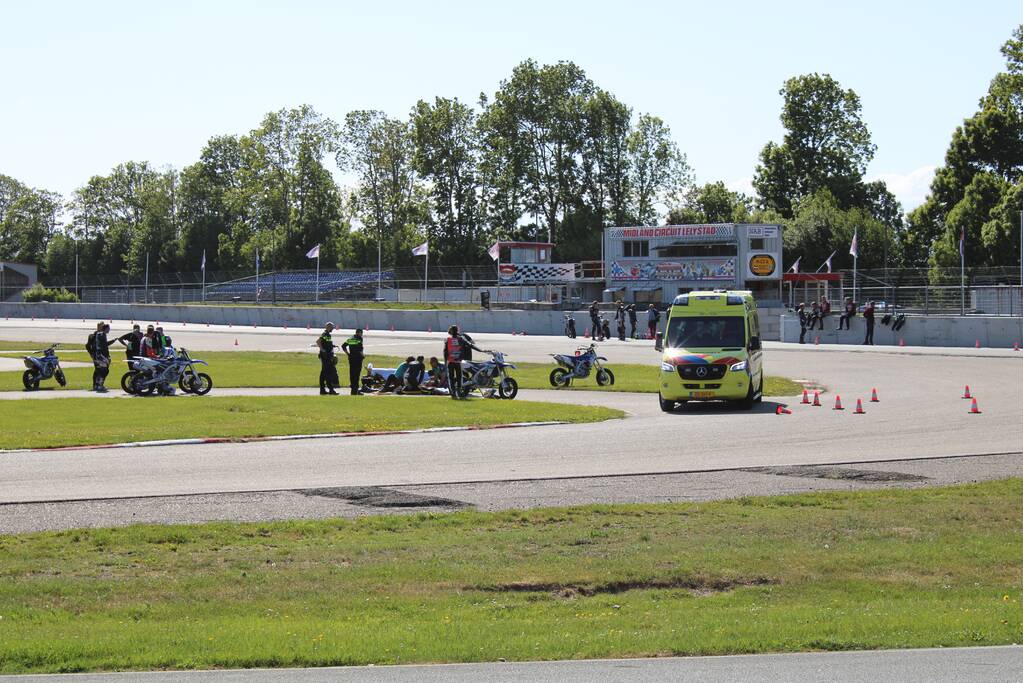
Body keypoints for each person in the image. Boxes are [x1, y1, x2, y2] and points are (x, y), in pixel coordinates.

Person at [443, 325, 482, 399]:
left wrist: (445, 362)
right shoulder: (460, 339)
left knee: (451, 378)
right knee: (459, 377)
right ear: (457, 330)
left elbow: (445, 351)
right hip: (458, 362)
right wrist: (480, 350)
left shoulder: (448, 340)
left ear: (450, 331)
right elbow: (470, 345)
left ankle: (453, 393)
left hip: (450, 362)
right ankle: (458, 391)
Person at [86, 322, 111, 392]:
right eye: (100, 326)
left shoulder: (102, 334)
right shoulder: (94, 335)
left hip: (102, 355)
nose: (102, 327)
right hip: (98, 356)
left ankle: (99, 384)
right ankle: (97, 385)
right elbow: (88, 346)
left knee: (101, 371)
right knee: (100, 371)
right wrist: (91, 354)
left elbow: (105, 345)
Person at [316, 322, 339, 395]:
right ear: (328, 327)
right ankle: (331, 389)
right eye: (332, 327)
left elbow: (326, 343)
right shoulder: (325, 334)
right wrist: (322, 350)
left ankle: (322, 390)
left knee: (323, 373)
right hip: (325, 356)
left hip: (327, 356)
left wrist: (332, 346)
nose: (333, 328)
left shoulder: (328, 335)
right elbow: (318, 341)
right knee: (327, 373)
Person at [341, 328, 365, 395]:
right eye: (361, 333)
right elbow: (360, 349)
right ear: (359, 333)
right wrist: (363, 355)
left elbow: (343, 346)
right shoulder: (359, 338)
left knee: (352, 373)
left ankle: (353, 389)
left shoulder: (350, 338)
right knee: (357, 374)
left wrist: (348, 354)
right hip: (358, 358)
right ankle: (356, 390)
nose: (361, 335)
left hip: (351, 358)